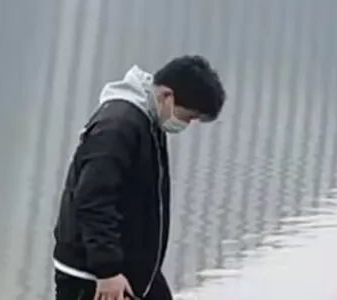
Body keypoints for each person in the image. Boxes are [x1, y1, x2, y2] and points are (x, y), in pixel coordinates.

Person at [53, 56, 226, 300]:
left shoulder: (150, 119)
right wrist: (108, 271)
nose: (186, 124)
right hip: (92, 274)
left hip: (131, 266)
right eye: (187, 116)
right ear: (166, 96)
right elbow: (93, 202)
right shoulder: (116, 128)